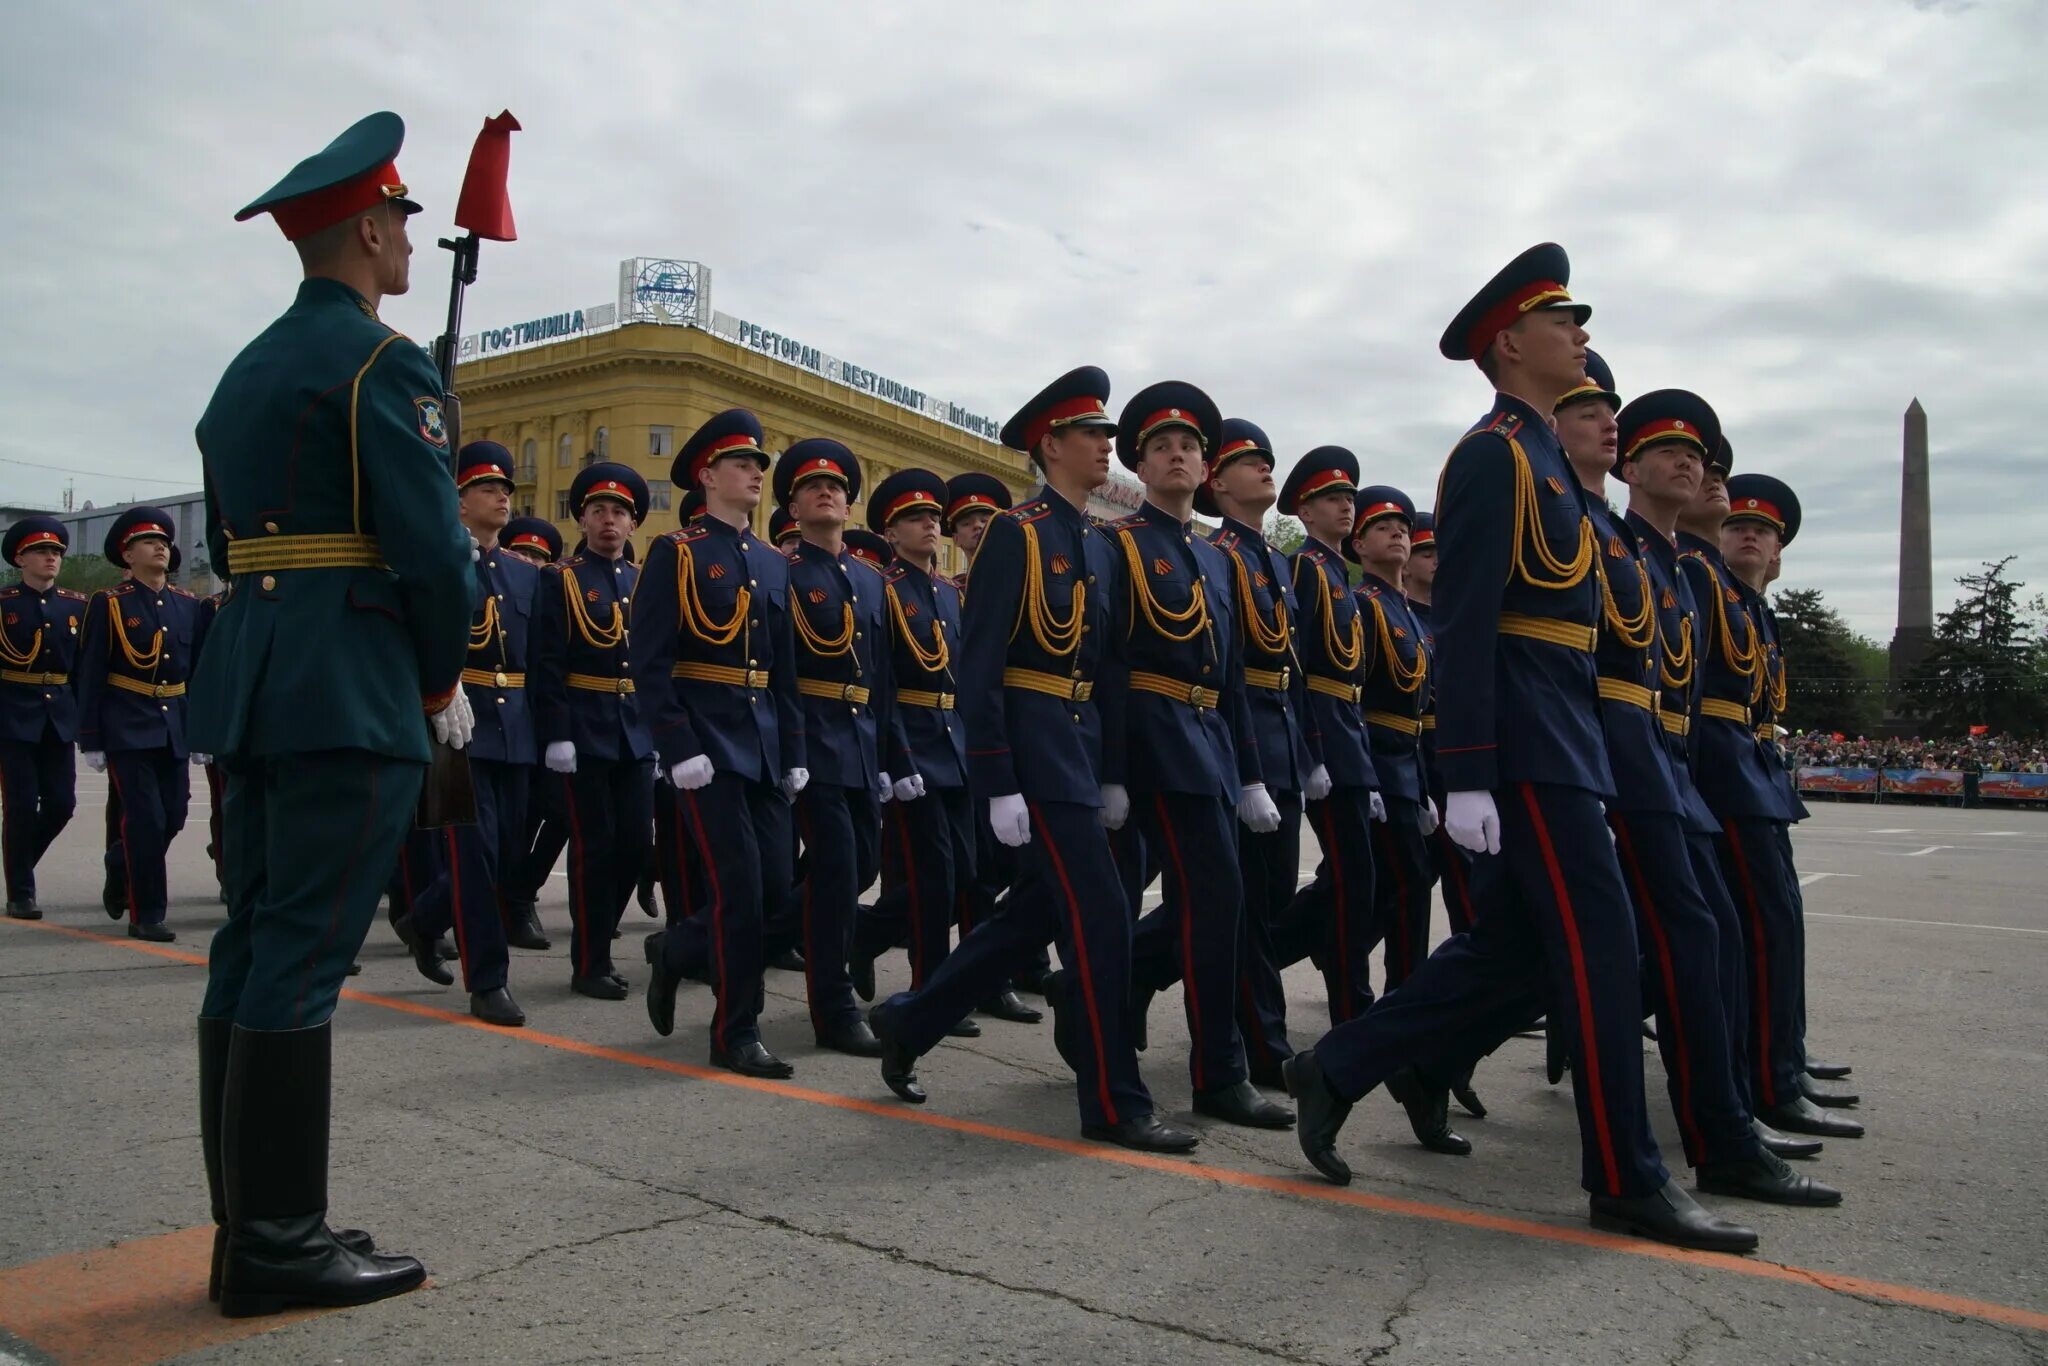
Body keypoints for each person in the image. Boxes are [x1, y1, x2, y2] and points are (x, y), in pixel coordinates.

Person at [1284, 243, 1757, 1252]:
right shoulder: (1494, 454)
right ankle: (1625, 1178)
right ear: (1510, 341)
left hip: (1567, 739)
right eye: (1562, 320)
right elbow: (1462, 618)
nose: (1580, 334)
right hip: (1524, 748)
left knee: (1521, 946)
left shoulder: (1548, 463)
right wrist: (1465, 772)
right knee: (1600, 950)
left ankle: (1341, 1063)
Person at [192, 110, 473, 1315]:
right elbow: (436, 555)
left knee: (251, 946)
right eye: (402, 221)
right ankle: (276, 1242)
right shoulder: (383, 360)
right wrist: (435, 679)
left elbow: (228, 540)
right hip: (347, 687)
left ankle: (252, 1220)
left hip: (256, 672)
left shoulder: (246, 367)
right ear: (368, 228)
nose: (410, 241)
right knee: (302, 961)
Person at [869, 366, 1197, 1154]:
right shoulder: (1018, 533)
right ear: (1051, 445)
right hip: (1036, 754)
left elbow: (1108, 664)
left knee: (1036, 915)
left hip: (1081, 752)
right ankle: (1116, 1102)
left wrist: (1112, 767)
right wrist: (997, 779)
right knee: (1103, 917)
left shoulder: (1095, 539)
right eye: (1095, 435)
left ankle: (912, 1018)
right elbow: (980, 664)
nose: (1106, 448)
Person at [1566, 381, 1836, 1205]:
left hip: (1676, 762)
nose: (1699, 473)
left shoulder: (1676, 570)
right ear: (1631, 464)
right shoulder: (1624, 547)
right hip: (1636, 761)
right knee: (1700, 936)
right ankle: (1741, 1109)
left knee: (1715, 933)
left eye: (1703, 459)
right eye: (1674, 454)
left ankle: (1746, 1105)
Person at [1111, 382, 1292, 1130]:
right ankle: (1171, 1059)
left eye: (1188, 446)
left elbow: (1232, 676)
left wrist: (1249, 772)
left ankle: (1216, 1072)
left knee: (1220, 907)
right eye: (1162, 447)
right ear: (1142, 466)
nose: (1177, 455)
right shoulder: (1117, 545)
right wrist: (1111, 771)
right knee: (1135, 907)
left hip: (1208, 744)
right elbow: (1108, 665)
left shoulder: (1218, 562)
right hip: (1148, 741)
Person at [635, 409, 807, 1079]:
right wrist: (677, 746)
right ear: (708, 475)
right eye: (743, 464)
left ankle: (677, 951)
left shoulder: (769, 561)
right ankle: (736, 1030)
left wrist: (792, 752)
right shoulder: (676, 552)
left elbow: (784, 670)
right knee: (737, 889)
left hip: (762, 746)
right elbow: (648, 661)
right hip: (706, 747)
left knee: (770, 890)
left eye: (760, 466)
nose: (756, 474)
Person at [853, 469, 1041, 1022]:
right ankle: (930, 988)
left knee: (976, 872)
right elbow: (881, 682)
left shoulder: (947, 591)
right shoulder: (883, 589)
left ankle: (976, 979)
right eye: (917, 518)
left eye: (934, 517)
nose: (930, 525)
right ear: (890, 532)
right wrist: (896, 758)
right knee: (937, 876)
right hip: (912, 745)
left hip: (957, 744)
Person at [1170, 420, 1311, 1090]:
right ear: (1216, 481)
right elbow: (1225, 666)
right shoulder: (1218, 553)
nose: (1265, 469)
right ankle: (1266, 1045)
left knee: (1267, 899)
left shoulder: (1275, 560)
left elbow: (1294, 667)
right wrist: (1248, 768)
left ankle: (1133, 974)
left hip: (1278, 740)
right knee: (1245, 905)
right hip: (1235, 738)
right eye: (1249, 462)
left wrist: (1305, 754)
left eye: (1268, 460)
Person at [399, 443, 539, 1026]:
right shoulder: (433, 563)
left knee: (507, 861)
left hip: (516, 731)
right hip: (454, 725)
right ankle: (487, 980)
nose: (503, 496)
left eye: (505, 488)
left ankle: (423, 920)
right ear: (456, 502)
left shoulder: (526, 574)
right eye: (487, 488)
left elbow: (544, 661)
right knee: (477, 856)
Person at [770, 438, 892, 1056]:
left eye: (839, 487)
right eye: (813, 487)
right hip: (812, 740)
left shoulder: (870, 582)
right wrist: (791, 748)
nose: (828, 493)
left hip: (863, 744)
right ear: (793, 507)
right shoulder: (782, 575)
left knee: (860, 866)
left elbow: (883, 679)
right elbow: (779, 671)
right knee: (839, 871)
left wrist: (892, 760)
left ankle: (700, 946)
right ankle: (834, 1007)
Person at [1266, 447, 1383, 1027]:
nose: (1346, 506)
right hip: (1326, 743)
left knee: (1352, 880)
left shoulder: (1339, 573)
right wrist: (1313, 752)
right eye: (1332, 499)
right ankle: (1351, 1003)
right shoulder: (1307, 568)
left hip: (1349, 740)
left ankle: (1269, 959)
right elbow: (1300, 665)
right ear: (1304, 513)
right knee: (1351, 878)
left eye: (1349, 498)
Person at [532, 461, 655, 1001]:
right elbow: (547, 659)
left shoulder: (643, 580)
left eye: (620, 512)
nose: (610, 521)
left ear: (633, 525)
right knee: (593, 848)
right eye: (600, 511)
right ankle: (589, 962)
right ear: (582, 521)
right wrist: (557, 732)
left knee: (633, 846)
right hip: (584, 729)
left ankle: (600, 926)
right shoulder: (560, 579)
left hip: (635, 730)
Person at [76, 509, 206, 943]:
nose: (160, 547)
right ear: (127, 555)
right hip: (127, 726)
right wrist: (91, 737)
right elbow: (91, 670)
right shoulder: (110, 603)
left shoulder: (189, 605)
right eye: (148, 542)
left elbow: (200, 672)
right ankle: (146, 913)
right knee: (146, 818)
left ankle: (119, 862)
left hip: (176, 724)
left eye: (164, 542)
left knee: (175, 814)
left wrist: (204, 731)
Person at [1345, 487, 1438, 993]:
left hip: (1407, 765)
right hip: (1378, 760)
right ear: (1359, 546)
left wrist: (1421, 786)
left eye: (1402, 527)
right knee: (1401, 886)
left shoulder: (1408, 612)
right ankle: (1405, 997)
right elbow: (1353, 695)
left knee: (1399, 886)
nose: (1399, 533)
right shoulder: (1363, 605)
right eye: (1383, 528)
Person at [1, 517, 84, 920]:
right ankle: (21, 891)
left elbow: (85, 667)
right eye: (41, 552)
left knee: (62, 803)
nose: (50, 558)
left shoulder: (76, 606)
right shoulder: (4, 605)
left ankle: (18, 865)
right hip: (12, 715)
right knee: (18, 805)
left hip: (59, 715)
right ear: (21, 558)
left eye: (55, 552)